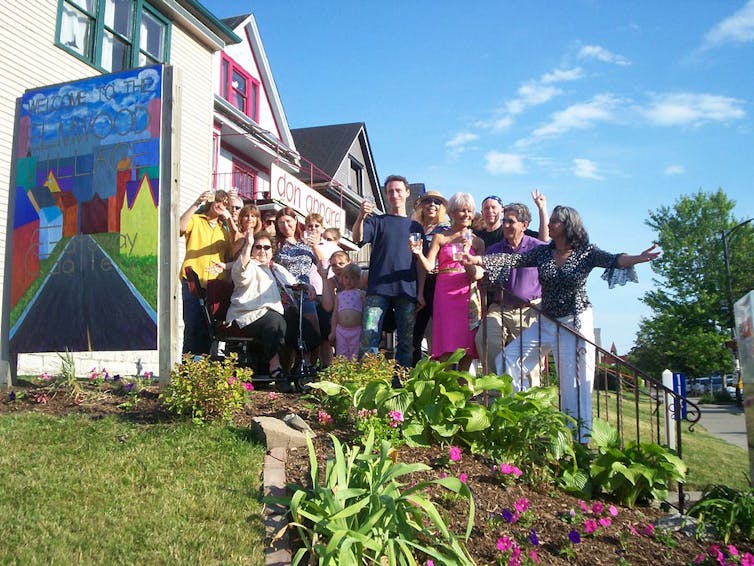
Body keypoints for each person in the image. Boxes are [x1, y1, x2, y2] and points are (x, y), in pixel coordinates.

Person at [464, 205, 660, 442]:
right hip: (546, 320)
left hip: (574, 323)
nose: (549, 224)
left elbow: (615, 259)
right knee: (507, 359)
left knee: (573, 384)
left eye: (555, 221)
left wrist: (639, 258)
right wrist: (477, 259)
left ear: (568, 225)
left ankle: (580, 441)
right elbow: (513, 259)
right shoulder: (544, 253)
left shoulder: (585, 252)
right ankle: (523, 416)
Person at [353, 174, 425, 378]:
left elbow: (420, 264)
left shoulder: (415, 227)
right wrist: (360, 217)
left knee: (406, 341)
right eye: (390, 191)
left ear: (407, 193)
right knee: (369, 337)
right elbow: (357, 238)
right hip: (378, 289)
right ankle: (370, 381)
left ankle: (402, 382)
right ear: (386, 195)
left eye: (399, 190)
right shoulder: (377, 221)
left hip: (407, 289)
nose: (395, 195)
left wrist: (420, 292)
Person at [412, 192, 484, 371]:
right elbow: (429, 266)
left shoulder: (478, 242)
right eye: (461, 211)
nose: (466, 215)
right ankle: (443, 389)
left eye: (469, 211)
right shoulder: (440, 237)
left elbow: (481, 271)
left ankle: (464, 388)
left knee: (467, 346)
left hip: (468, 292)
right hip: (445, 292)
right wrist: (419, 253)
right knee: (446, 344)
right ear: (451, 213)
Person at [475, 201, 546, 376]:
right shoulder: (494, 249)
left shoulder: (537, 248)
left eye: (511, 221)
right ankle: (499, 384)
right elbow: (481, 273)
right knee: (485, 339)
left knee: (529, 364)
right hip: (500, 308)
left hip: (530, 310)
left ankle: (529, 399)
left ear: (525, 225)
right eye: (504, 220)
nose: (505, 225)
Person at [224, 231, 303, 385]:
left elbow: (294, 283)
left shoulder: (277, 268)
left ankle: (298, 369)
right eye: (258, 247)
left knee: (299, 322)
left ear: (272, 251)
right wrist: (247, 244)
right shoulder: (248, 265)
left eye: (266, 247)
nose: (262, 251)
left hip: (271, 313)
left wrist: (308, 287)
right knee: (276, 323)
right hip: (247, 314)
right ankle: (275, 367)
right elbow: (240, 272)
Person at [179, 190, 233, 355]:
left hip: (215, 285)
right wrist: (196, 203)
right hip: (194, 282)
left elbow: (232, 253)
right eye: (218, 201)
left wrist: (230, 219)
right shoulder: (196, 220)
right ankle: (188, 370)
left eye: (225, 203)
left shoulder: (224, 230)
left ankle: (204, 368)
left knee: (210, 329)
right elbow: (179, 228)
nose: (220, 205)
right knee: (192, 324)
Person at [273, 208, 322, 365]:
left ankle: (309, 368)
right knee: (288, 331)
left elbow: (323, 265)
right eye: (281, 222)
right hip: (283, 292)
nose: (285, 225)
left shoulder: (306, 244)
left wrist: (315, 247)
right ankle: (286, 370)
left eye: (288, 221)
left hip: (304, 291)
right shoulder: (275, 244)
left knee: (313, 329)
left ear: (295, 222)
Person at [410, 190, 451, 366]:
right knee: (415, 333)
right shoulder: (415, 228)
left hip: (439, 283)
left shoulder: (446, 230)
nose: (432, 205)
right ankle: (412, 374)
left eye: (436, 202)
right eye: (427, 201)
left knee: (440, 333)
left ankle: (442, 375)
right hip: (418, 282)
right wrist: (419, 291)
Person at [303, 212, 342, 368]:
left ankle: (327, 367)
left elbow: (324, 264)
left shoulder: (330, 246)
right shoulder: (300, 245)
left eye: (316, 226)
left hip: (324, 293)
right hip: (307, 293)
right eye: (310, 226)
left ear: (322, 228)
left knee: (326, 335)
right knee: (310, 334)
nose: (313, 229)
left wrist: (313, 246)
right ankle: (310, 367)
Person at [474, 190, 548, 248]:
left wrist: (542, 208)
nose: (490, 211)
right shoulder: (477, 236)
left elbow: (543, 240)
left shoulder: (511, 230)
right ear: (482, 212)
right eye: (486, 208)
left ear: (502, 210)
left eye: (494, 207)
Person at [328, 263, 365, 360]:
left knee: (355, 355)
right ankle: (342, 373)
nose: (349, 281)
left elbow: (365, 313)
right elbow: (335, 314)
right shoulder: (339, 295)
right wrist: (333, 331)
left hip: (357, 330)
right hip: (341, 330)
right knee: (341, 354)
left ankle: (354, 373)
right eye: (346, 277)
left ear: (358, 279)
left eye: (353, 278)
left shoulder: (361, 294)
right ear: (342, 279)